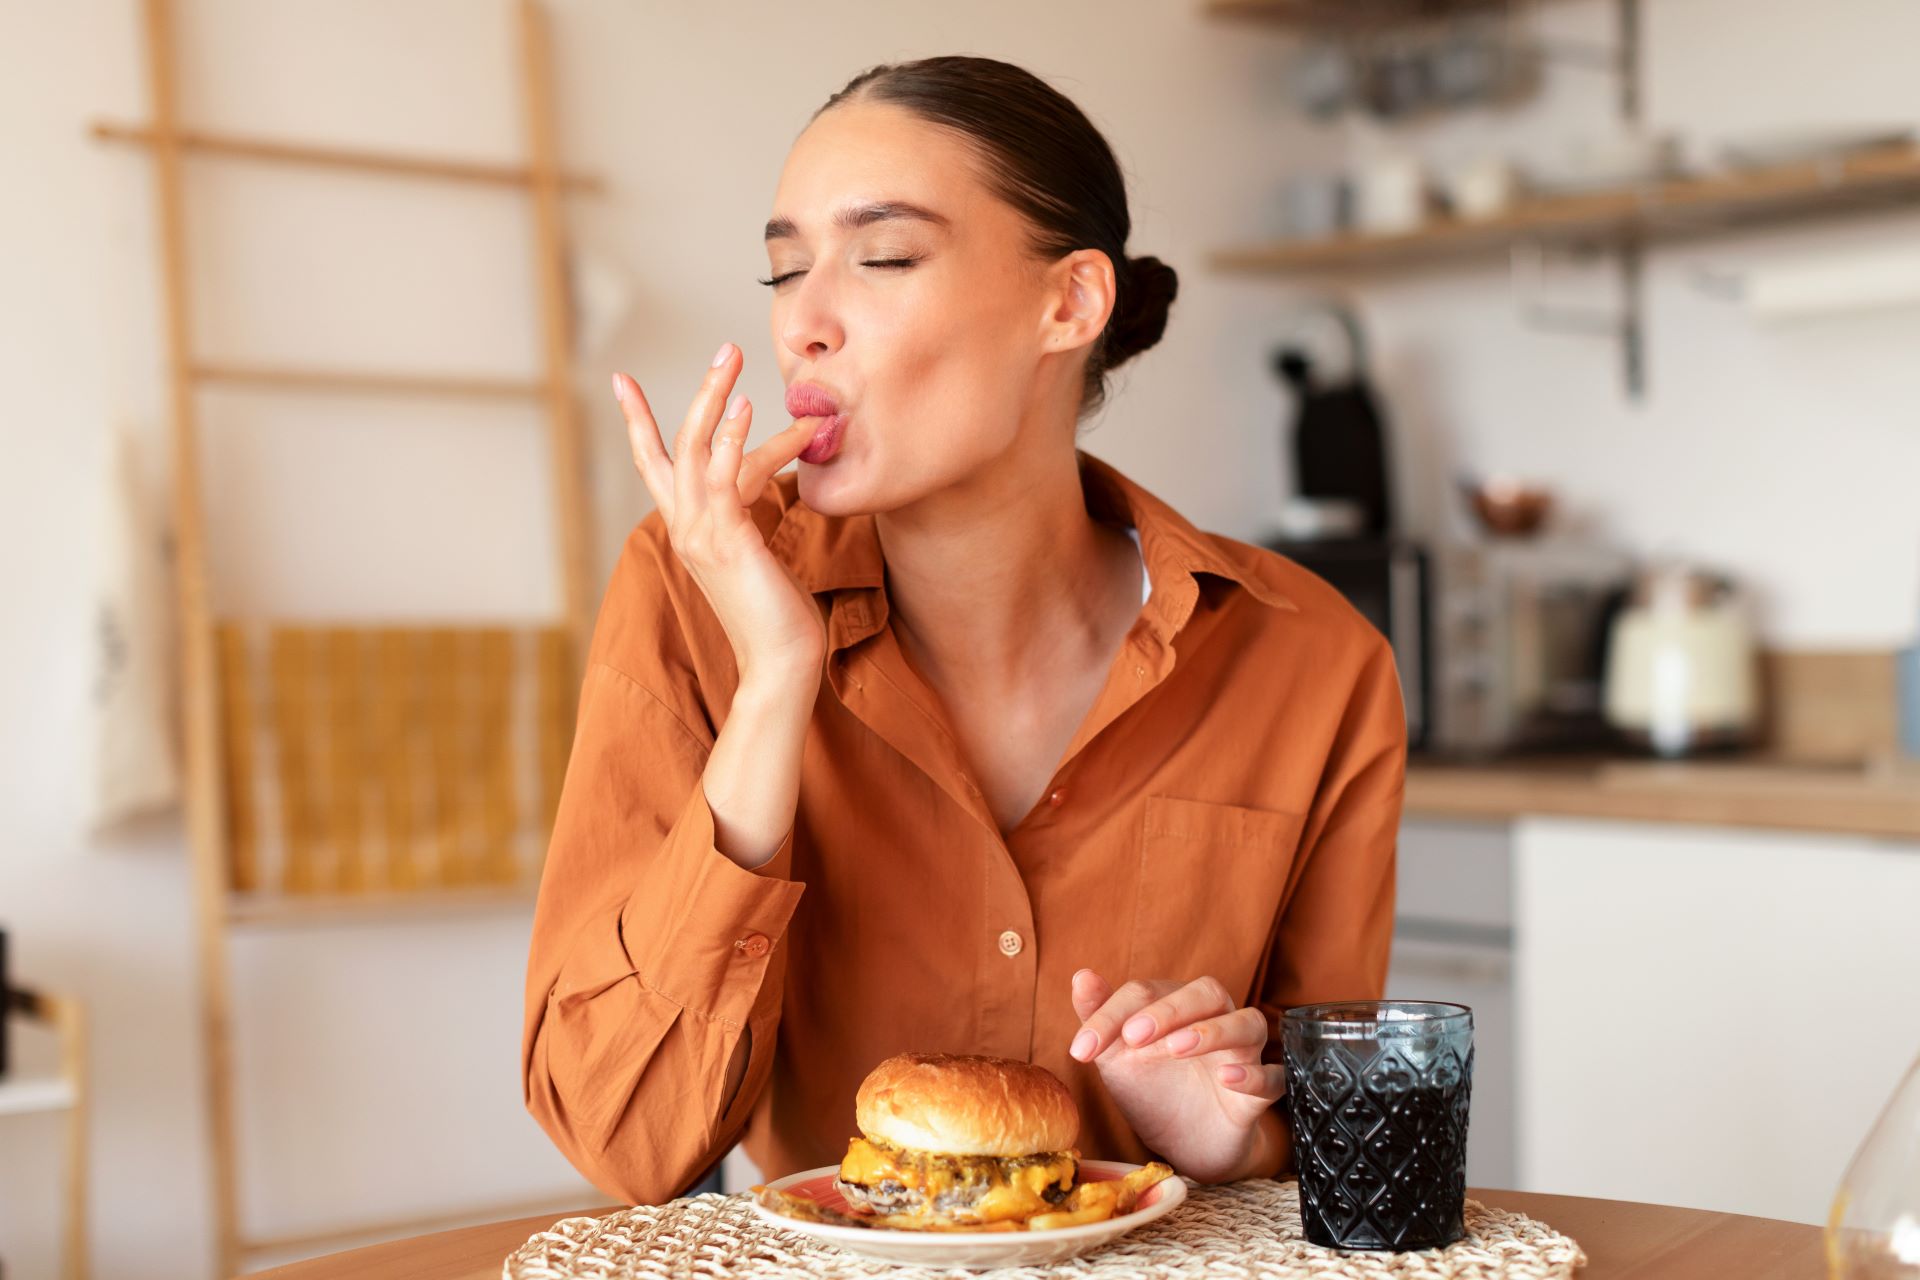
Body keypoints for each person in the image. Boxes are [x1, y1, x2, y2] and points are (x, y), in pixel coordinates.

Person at [521, 54, 1406, 1208]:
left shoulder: (1312, 659)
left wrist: (1236, 1138)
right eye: (787, 268)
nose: (806, 324)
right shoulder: (690, 594)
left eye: (882, 257)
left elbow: (1351, 1158)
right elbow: (620, 1138)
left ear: (1070, 303)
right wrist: (777, 681)